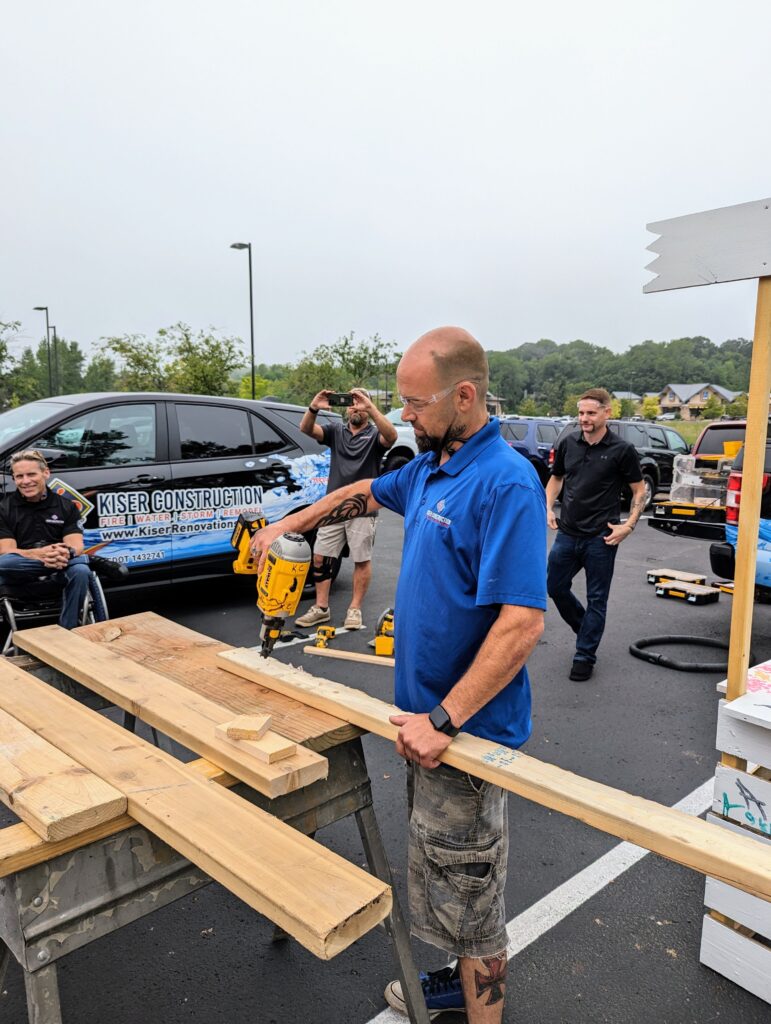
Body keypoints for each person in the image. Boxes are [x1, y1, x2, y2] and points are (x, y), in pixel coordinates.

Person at [251, 328, 546, 1023]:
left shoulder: (504, 482)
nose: (404, 415)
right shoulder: (430, 469)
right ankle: (449, 981)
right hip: (420, 723)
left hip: (462, 734)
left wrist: (444, 721)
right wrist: (286, 524)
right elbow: (361, 491)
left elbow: (522, 625)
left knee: (472, 895)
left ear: (464, 396)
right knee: (444, 876)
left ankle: (480, 1010)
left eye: (415, 403)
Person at [545, 388, 645, 681]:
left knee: (597, 599)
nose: (584, 419)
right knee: (555, 587)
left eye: (590, 413)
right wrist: (548, 507)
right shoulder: (568, 443)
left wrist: (629, 526)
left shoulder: (621, 450)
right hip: (568, 533)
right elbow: (556, 478)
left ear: (606, 413)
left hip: (602, 537)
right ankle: (586, 628)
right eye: (581, 413)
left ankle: (584, 655)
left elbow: (639, 490)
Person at [295, 387, 397, 631]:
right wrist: (314, 407)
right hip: (333, 508)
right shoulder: (335, 431)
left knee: (361, 560)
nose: (355, 407)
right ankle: (321, 608)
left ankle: (354, 608)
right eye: (351, 403)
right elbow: (306, 429)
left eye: (360, 402)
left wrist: (370, 408)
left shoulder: (375, 435)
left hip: (362, 508)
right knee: (320, 556)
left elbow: (391, 437)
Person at [0, 449, 96, 629]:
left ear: (46, 473)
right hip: (20, 574)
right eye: (19, 476)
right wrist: (39, 555)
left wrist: (66, 553)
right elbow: (6, 551)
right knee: (3, 562)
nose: (26, 481)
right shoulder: (4, 508)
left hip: (58, 573)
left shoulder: (66, 506)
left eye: (31, 474)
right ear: (14, 479)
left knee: (81, 570)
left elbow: (75, 545)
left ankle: (67, 630)